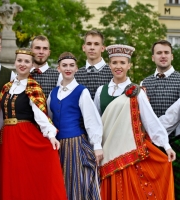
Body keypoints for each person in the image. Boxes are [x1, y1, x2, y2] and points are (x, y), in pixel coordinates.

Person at [94, 44, 176, 200]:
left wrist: (166, 145)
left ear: (129, 65)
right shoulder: (100, 91)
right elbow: (97, 123)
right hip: (107, 151)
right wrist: (96, 146)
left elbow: (149, 119)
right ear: (109, 64)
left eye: (122, 63)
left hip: (129, 152)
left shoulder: (137, 91)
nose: (118, 66)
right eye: (115, 62)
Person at [0, 48, 67, 200]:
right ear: (15, 62)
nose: (22, 64)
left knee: (24, 176)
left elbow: (40, 115)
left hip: (24, 136)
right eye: (19, 60)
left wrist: (51, 134)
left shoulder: (33, 87)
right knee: (10, 176)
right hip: (6, 139)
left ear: (32, 65)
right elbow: (0, 117)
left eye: (26, 61)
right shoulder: (6, 87)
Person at [47, 52, 103, 200]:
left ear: (77, 69)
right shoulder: (53, 93)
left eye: (71, 65)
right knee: (59, 185)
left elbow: (91, 119)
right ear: (58, 68)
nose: (68, 68)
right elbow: (49, 120)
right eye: (64, 65)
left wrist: (97, 145)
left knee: (77, 184)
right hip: (57, 147)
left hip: (76, 144)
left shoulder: (81, 91)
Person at [141, 40, 180, 198]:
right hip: (150, 144)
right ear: (153, 57)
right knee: (152, 188)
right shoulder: (145, 82)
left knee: (175, 188)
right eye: (159, 53)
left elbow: (174, 115)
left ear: (172, 56)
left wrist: (157, 131)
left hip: (176, 142)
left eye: (166, 53)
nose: (163, 56)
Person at [74, 30, 112, 99]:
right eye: (89, 44)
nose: (92, 47)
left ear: (103, 48)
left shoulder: (112, 73)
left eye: (96, 44)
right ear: (84, 47)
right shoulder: (76, 75)